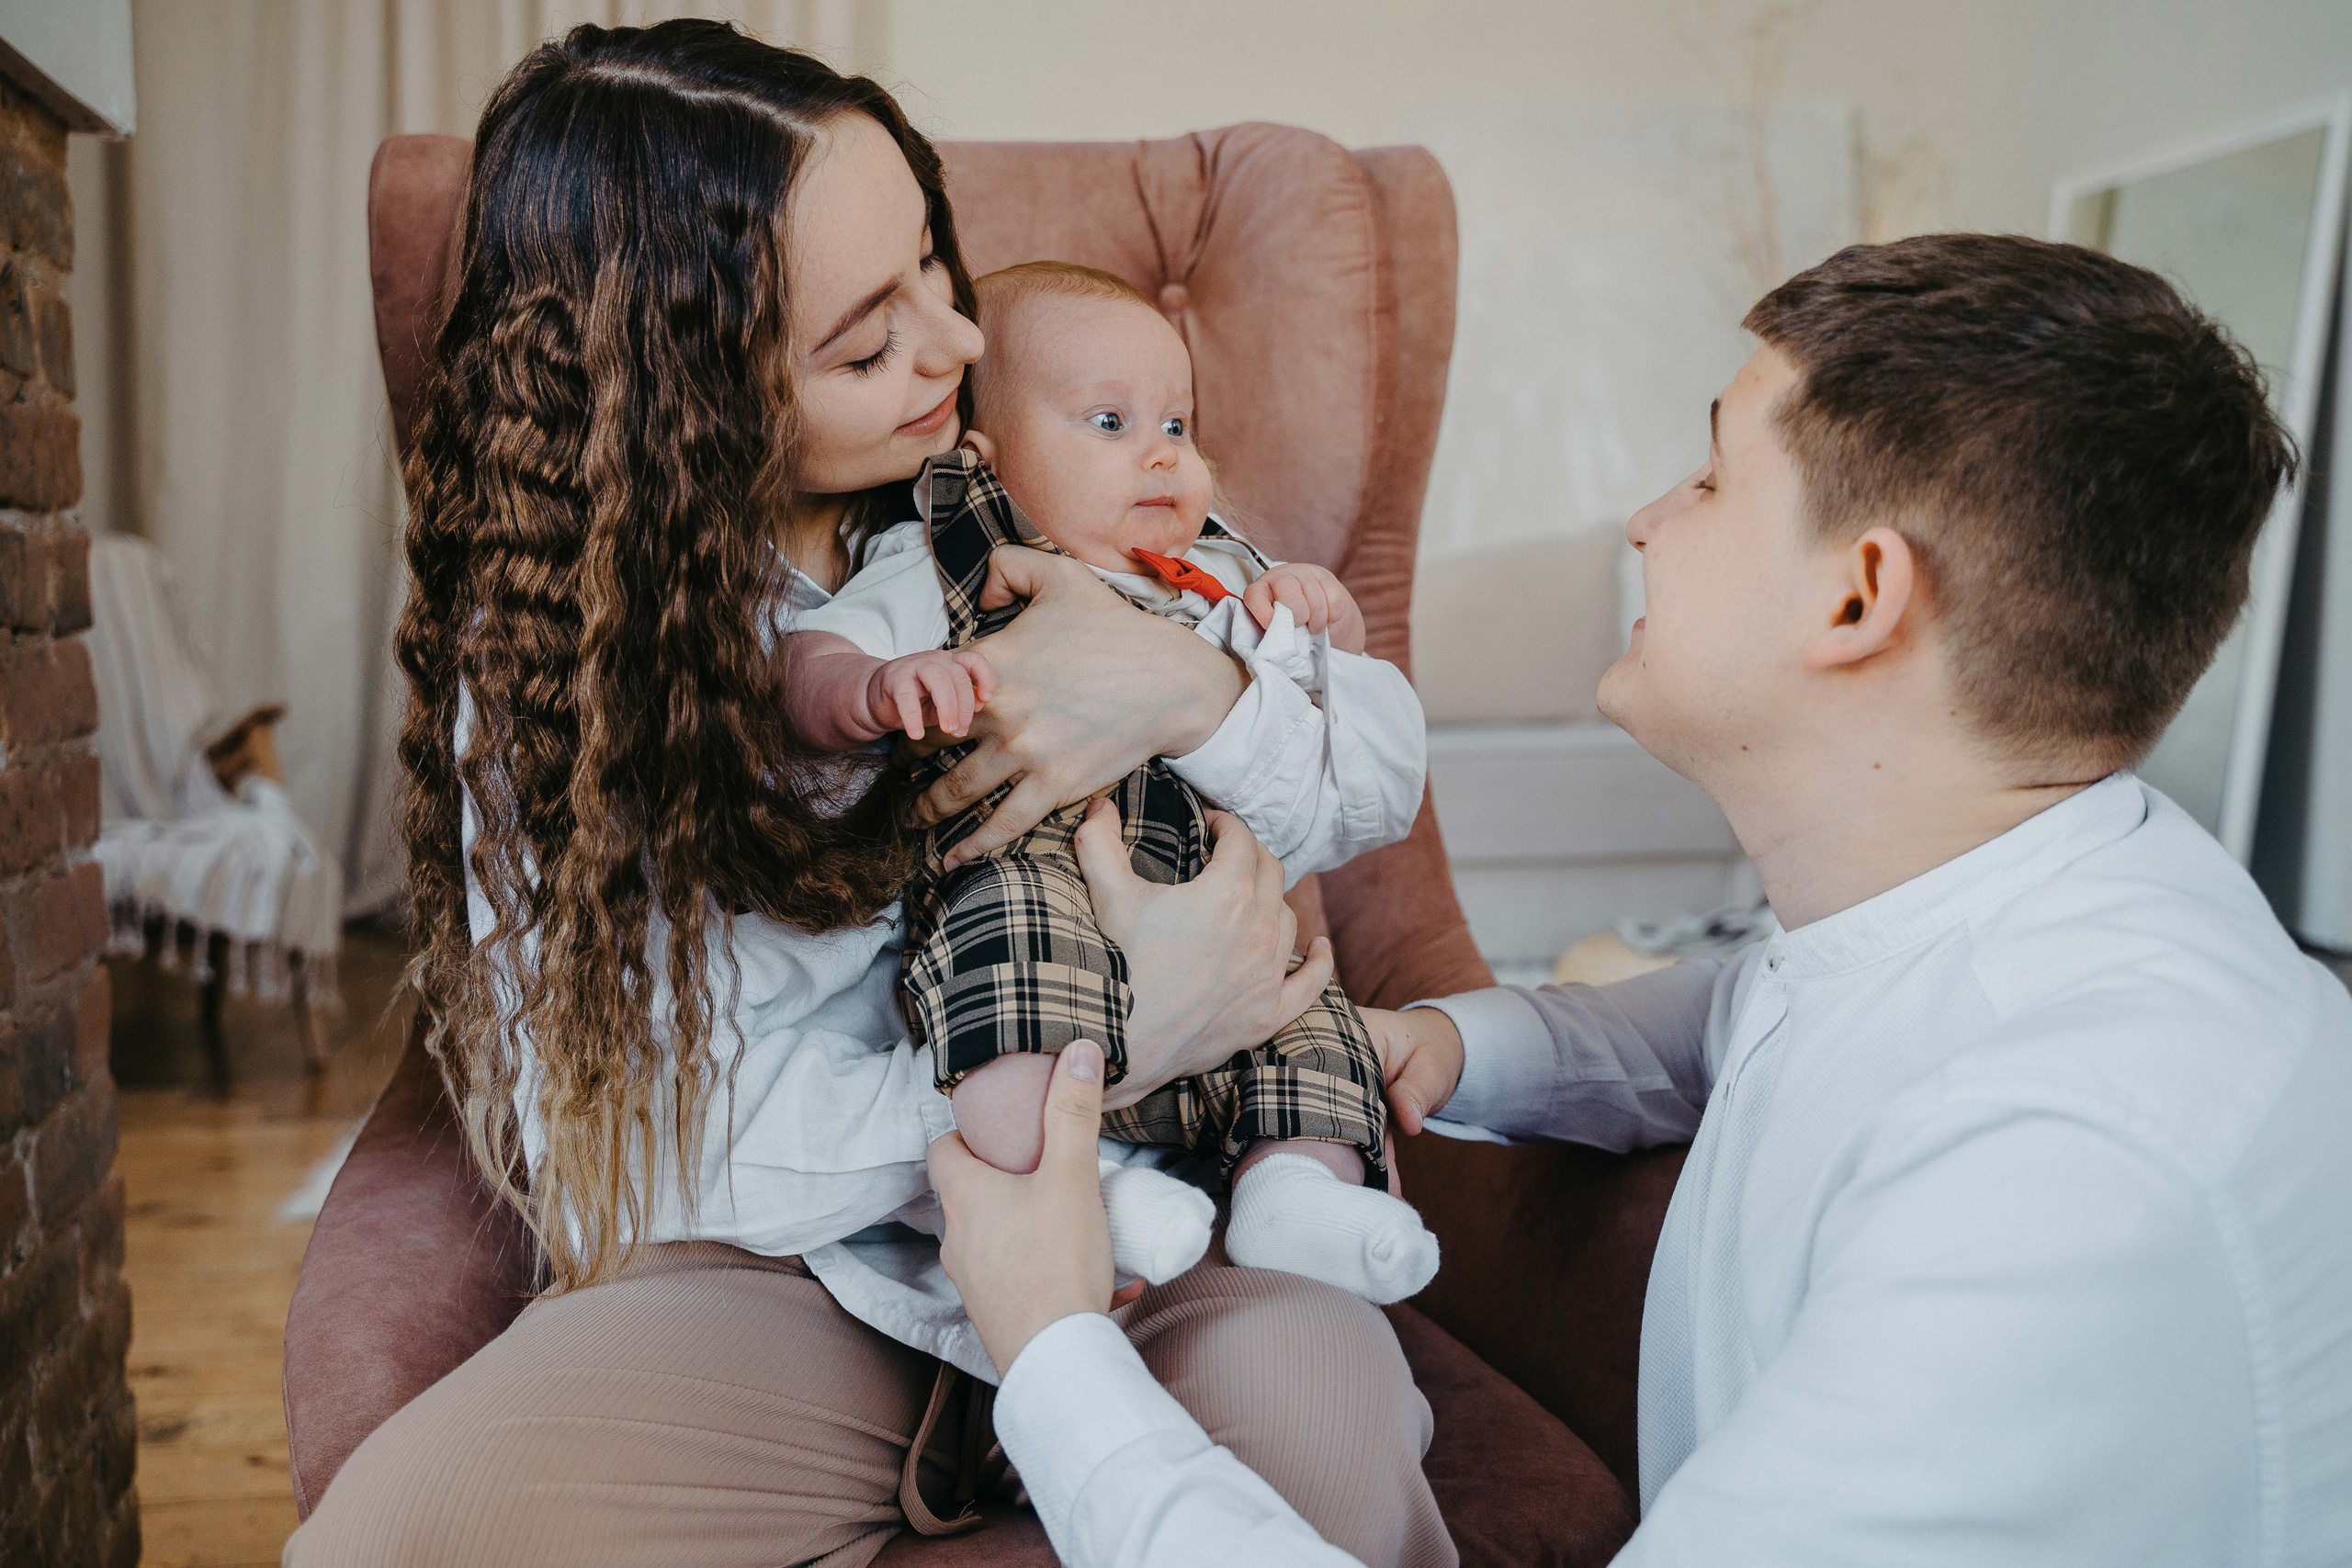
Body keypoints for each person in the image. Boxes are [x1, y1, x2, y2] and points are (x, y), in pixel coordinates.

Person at [928, 233, 2352, 1566]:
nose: (1648, 519)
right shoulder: (2019, 900)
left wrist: (1051, 1344)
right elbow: (1746, 1016)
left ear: (1857, 599)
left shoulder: (2057, 1178)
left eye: (1714, 478)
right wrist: (1447, 1041)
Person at [287, 22, 1453, 1568]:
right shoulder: (554, 672)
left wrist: (1196, 694)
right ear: (687, 396)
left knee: (1337, 1478)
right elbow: (616, 1142)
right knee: (410, 1539)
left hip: (1176, 1223)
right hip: (801, 1275)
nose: (959, 348)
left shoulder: (1028, 494)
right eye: (865, 341)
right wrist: (1089, 1055)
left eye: (932, 266)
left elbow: (1336, 781)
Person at [787, 260, 1441, 1304]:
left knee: (1310, 1015)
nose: (1162, 454)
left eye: (1177, 425)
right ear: (986, 462)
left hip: (1216, 918)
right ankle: (1079, 1191)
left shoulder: (1220, 582)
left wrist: (1321, 626)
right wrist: (871, 688)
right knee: (1002, 971)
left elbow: (1346, 740)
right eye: (1107, 422)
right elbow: (810, 658)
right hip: (1032, 877)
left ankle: (1294, 1196)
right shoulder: (934, 567)